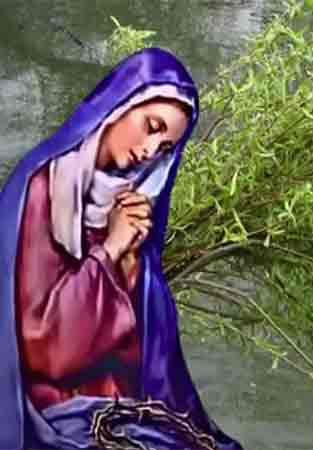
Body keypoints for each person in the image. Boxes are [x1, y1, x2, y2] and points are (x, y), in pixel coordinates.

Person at [0, 48, 242, 450]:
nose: (149, 151)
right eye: (151, 127)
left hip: (115, 408)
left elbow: (140, 354)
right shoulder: (45, 188)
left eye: (165, 147)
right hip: (48, 415)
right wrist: (110, 249)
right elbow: (45, 351)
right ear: (119, 106)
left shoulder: (130, 203)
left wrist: (131, 266)